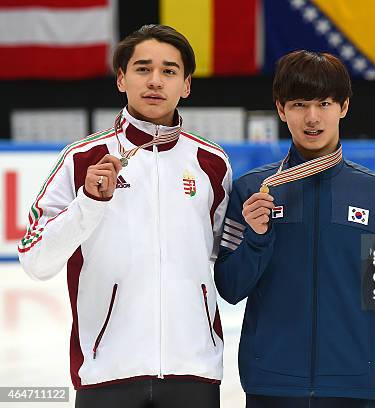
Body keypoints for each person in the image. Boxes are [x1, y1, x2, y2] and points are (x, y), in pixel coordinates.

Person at [18, 25, 231, 407]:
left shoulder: (211, 164)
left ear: (186, 85)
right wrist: (88, 204)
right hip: (106, 374)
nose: (154, 81)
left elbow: (220, 254)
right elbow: (35, 260)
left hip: (194, 374)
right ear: (121, 79)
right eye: (142, 68)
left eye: (169, 71)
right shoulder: (81, 159)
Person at [214, 50, 375, 408]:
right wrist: (256, 237)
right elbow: (229, 287)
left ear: (344, 107)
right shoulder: (251, 190)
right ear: (281, 109)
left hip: (351, 386)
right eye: (300, 104)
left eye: (325, 103)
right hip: (271, 385)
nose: (313, 117)